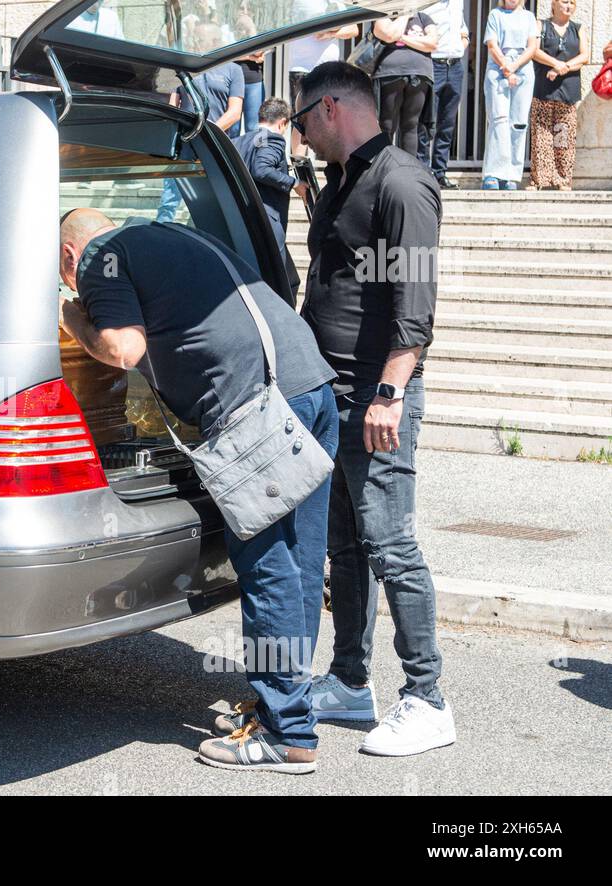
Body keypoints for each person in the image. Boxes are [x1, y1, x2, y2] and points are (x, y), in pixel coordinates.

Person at [57, 208, 337, 774]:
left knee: (269, 568)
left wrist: (74, 320)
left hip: (255, 410)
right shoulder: (165, 234)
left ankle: (288, 734)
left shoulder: (96, 258)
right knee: (303, 564)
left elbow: (123, 350)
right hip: (309, 385)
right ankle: (284, 706)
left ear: (68, 256)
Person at [293, 61, 456, 757]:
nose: (299, 136)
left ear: (330, 108)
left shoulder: (400, 182)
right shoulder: (341, 182)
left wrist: (389, 392)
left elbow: (415, 306)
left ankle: (427, 698)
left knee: (391, 546)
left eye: (302, 122)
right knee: (346, 547)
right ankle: (351, 682)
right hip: (333, 396)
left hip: (375, 395)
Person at [158, 22, 244, 222]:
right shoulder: (182, 68)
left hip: (215, 145)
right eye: (193, 38)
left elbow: (234, 112)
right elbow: (173, 106)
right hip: (184, 144)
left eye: (199, 38)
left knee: (213, 199)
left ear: (215, 41)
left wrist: (206, 132)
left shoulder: (233, 70)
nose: (194, 42)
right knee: (169, 200)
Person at [233, 98, 305, 304]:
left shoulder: (242, 140)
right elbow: (262, 169)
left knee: (289, 280)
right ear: (282, 122)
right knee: (282, 285)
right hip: (268, 222)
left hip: (247, 223)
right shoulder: (273, 139)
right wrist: (295, 183)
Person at [529, 0, 589, 191]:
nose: (569, 6)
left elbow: (585, 56)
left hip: (568, 89)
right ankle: (540, 180)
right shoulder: (542, 25)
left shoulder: (578, 28)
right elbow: (534, 51)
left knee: (564, 135)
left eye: (572, 3)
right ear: (554, 4)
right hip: (544, 88)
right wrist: (556, 63)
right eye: (564, 1)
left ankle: (563, 179)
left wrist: (564, 68)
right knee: (541, 135)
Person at [287, 1, 360, 154]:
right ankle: (299, 163)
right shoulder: (304, 4)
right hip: (303, 70)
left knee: (330, 117)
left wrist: (331, 33)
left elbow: (353, 29)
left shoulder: (336, 3)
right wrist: (333, 29)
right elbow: (318, 30)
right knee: (302, 120)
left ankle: (327, 159)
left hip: (329, 71)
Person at [481, 0, 540, 190]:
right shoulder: (494, 15)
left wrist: (514, 67)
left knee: (518, 123)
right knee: (499, 120)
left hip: (522, 69)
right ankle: (493, 173)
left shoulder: (529, 17)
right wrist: (506, 67)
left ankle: (512, 175)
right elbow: (492, 44)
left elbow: (532, 48)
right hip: (498, 68)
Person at [372, 12, 439, 157]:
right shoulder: (385, 14)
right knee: (386, 124)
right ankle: (382, 168)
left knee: (411, 125)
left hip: (419, 74)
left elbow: (432, 43)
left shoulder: (423, 17)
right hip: (390, 74)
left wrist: (401, 37)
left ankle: (406, 171)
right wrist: (404, 15)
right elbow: (387, 35)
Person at [418, 1, 470, 189]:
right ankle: (423, 171)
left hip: (455, 64)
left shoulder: (457, 3)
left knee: (447, 123)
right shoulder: (426, 4)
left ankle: (440, 171)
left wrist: (460, 46)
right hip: (433, 63)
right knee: (426, 121)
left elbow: (463, 31)